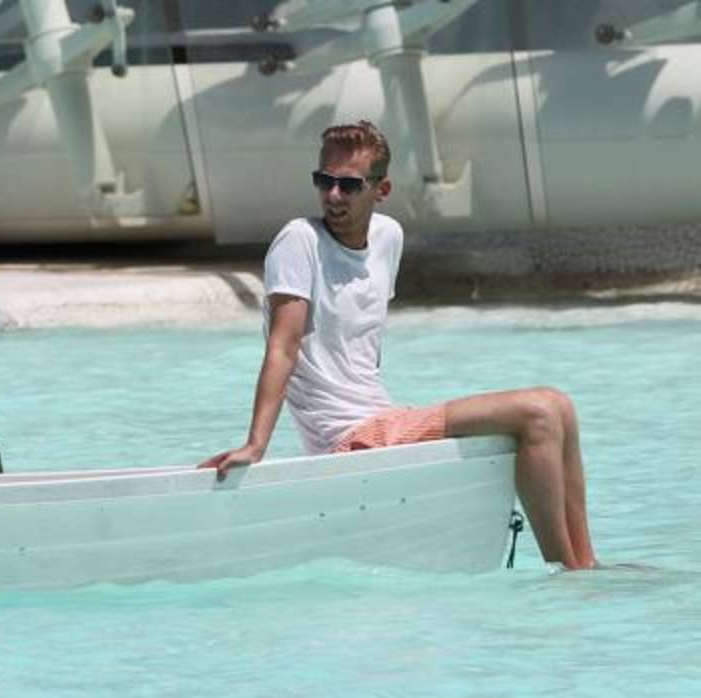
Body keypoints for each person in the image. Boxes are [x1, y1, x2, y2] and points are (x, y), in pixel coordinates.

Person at [199, 121, 597, 570]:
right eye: (324, 181)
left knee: (561, 405)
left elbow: (366, 342)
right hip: (348, 437)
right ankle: (565, 573)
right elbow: (283, 348)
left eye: (349, 185)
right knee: (539, 411)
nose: (333, 196)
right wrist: (256, 444)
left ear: (380, 189)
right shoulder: (299, 241)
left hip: (384, 419)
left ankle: (587, 564)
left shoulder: (389, 237)